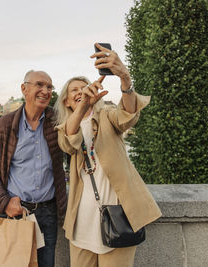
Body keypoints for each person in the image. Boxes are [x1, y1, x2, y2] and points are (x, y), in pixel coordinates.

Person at [54, 43, 162, 267]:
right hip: (81, 221)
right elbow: (68, 142)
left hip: (117, 217)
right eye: (75, 90)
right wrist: (83, 105)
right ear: (66, 100)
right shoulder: (66, 127)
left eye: (85, 87)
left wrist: (125, 78)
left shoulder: (107, 116)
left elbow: (128, 115)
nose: (81, 92)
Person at [0, 70, 67, 267]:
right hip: (15, 212)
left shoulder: (58, 123)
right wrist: (4, 203)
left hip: (48, 212)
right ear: (24, 89)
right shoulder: (3, 126)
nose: (46, 91)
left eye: (49, 87)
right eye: (40, 85)